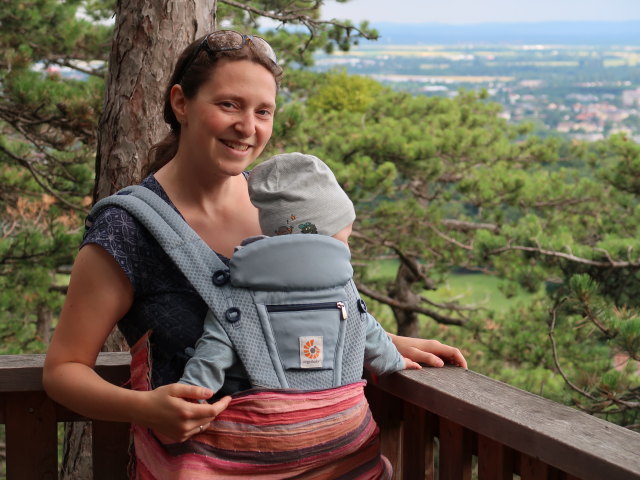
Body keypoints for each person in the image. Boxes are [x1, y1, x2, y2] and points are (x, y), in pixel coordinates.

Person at [42, 30, 467, 476]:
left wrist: (386, 342)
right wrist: (145, 407)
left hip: (337, 464)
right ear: (181, 103)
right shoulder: (128, 228)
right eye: (229, 104)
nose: (249, 127)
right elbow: (64, 370)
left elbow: (297, 313)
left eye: (263, 111)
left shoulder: (283, 208)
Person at [178, 152, 422, 397]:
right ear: (319, 238)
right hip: (339, 420)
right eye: (344, 238)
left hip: (264, 425)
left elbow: (213, 352)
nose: (348, 248)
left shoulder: (239, 293)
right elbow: (367, 329)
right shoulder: (342, 289)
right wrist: (395, 363)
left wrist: (191, 395)